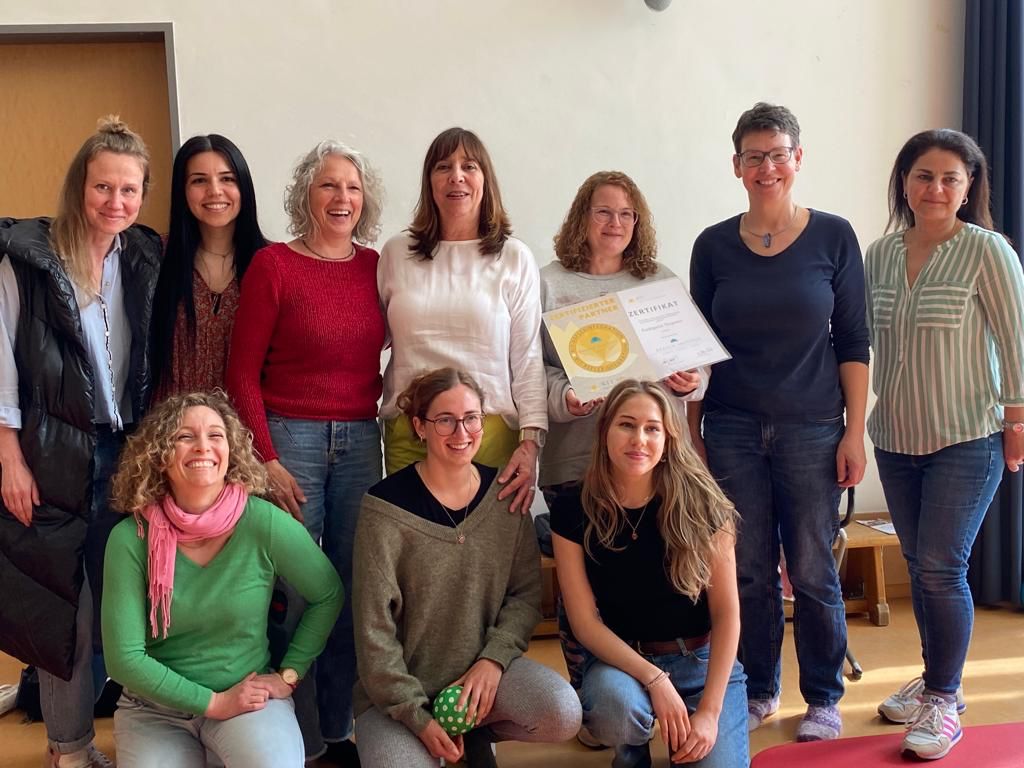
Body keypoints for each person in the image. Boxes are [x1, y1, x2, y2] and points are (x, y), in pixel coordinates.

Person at [688, 102, 870, 741]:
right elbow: (697, 348)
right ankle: (759, 687)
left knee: (813, 568)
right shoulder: (712, 245)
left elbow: (853, 340)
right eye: (753, 157)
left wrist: (854, 430)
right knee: (747, 569)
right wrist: (692, 433)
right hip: (732, 428)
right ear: (736, 166)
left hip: (813, 428)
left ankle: (822, 696)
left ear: (798, 158)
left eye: (778, 154)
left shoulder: (834, 237)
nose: (766, 167)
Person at [0, 116, 163, 768]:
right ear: (79, 187)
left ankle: (145, 733)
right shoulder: (28, 259)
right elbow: (1, 363)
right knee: (64, 607)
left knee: (129, 600)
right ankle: (70, 747)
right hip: (52, 452)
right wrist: (9, 457)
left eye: (129, 189)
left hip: (129, 453)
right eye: (102, 187)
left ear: (143, 194)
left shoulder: (143, 256)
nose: (115, 201)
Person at [225, 139, 386, 763]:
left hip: (361, 439)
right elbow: (242, 375)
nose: (342, 197)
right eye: (328, 185)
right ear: (305, 195)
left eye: (352, 187)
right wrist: (265, 458)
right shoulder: (273, 266)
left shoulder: (376, 266)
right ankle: (297, 734)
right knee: (294, 590)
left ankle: (338, 729)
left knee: (349, 586)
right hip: (289, 438)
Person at [866, 129, 1024, 760]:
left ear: (969, 187)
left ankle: (944, 697)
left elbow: (1016, 343)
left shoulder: (988, 251)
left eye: (949, 178)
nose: (935, 188)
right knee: (921, 567)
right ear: (904, 183)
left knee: (940, 568)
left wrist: (1017, 424)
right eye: (923, 176)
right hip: (895, 437)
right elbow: (860, 341)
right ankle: (936, 681)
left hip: (967, 436)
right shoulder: (880, 254)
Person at [541, 170, 707, 747]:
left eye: (626, 214)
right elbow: (533, 371)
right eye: (603, 211)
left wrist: (690, 380)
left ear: (638, 223)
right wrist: (564, 397)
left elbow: (695, 366)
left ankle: (656, 685)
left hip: (651, 464)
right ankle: (594, 702)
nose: (615, 223)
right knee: (581, 591)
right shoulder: (549, 284)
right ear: (581, 217)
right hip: (574, 458)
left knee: (651, 576)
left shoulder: (659, 282)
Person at [352, 368, 581, 767]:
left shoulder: (506, 497)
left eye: (471, 418)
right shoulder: (383, 509)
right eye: (445, 420)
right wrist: (417, 717)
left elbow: (525, 596)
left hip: (482, 678)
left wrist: (493, 661)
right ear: (419, 426)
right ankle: (440, 737)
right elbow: (374, 632)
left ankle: (475, 731)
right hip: (398, 694)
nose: (461, 432)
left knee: (562, 713)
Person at [102, 391, 343, 768]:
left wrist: (289, 675)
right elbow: (124, 660)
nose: (203, 446)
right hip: (154, 710)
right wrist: (213, 703)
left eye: (216, 435)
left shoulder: (263, 521)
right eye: (185, 436)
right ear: (160, 454)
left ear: (231, 451)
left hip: (247, 698)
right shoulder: (130, 538)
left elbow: (328, 593)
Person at [551, 380, 748, 767]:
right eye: (626, 424)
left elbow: (727, 614)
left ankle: (687, 728)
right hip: (621, 662)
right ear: (605, 430)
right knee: (616, 709)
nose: (638, 439)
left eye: (652, 428)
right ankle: (630, 751)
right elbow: (584, 623)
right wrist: (655, 680)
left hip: (700, 659)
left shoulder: (706, 505)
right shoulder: (572, 507)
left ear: (669, 438)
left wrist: (709, 713)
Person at [378, 127, 546, 514]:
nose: (456, 176)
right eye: (443, 167)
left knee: (485, 549)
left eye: (469, 166)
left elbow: (527, 357)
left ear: (485, 179)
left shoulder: (514, 257)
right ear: (429, 181)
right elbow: (369, 339)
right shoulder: (397, 254)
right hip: (410, 430)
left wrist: (531, 443)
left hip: (488, 434)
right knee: (413, 544)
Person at [151, 134, 269, 399]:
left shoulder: (272, 263)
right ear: (182, 190)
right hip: (169, 420)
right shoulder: (155, 256)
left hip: (245, 421)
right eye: (199, 180)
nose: (215, 191)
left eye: (227, 179)